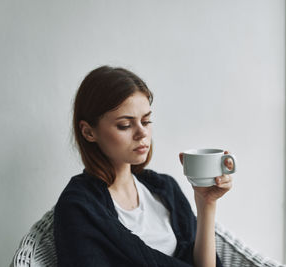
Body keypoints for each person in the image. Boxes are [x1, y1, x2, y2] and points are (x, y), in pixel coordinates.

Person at [54, 65, 234, 267]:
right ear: (88, 132)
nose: (142, 133)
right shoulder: (79, 206)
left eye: (146, 121)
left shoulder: (164, 188)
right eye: (125, 125)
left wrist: (206, 202)